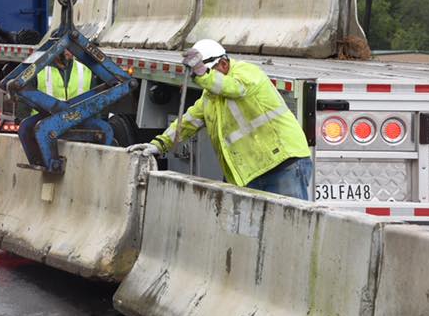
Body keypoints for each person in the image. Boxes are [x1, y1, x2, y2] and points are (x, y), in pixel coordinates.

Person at [128, 39, 312, 199]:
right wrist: (160, 144)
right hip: (252, 172)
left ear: (223, 64)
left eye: (208, 73)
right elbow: (188, 122)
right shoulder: (210, 97)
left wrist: (202, 73)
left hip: (282, 164)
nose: (203, 80)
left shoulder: (247, 73)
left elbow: (234, 88)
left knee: (290, 230)